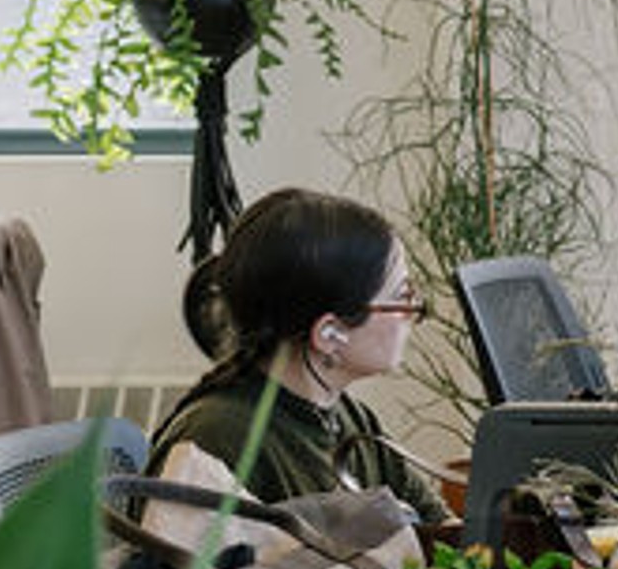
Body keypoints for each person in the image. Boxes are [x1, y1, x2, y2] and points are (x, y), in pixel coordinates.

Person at [147, 187, 439, 524]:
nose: (414, 310)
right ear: (329, 334)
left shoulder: (349, 417)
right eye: (402, 297)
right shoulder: (214, 442)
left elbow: (439, 532)